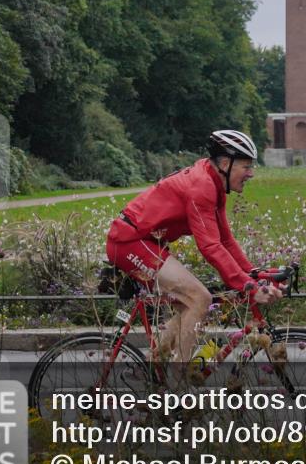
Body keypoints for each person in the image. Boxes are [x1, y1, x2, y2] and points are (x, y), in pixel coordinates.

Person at [104, 129, 282, 365]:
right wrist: (248, 287)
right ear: (226, 164)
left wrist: (253, 273)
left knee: (189, 304)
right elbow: (210, 246)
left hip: (147, 242)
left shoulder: (215, 185)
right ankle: (180, 378)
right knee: (200, 298)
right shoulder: (202, 186)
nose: (251, 173)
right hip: (129, 242)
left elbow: (225, 240)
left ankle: (154, 366)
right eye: (246, 167)